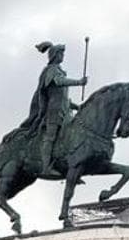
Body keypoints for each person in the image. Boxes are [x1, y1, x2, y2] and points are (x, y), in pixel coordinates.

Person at [21, 41, 87, 172]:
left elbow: (63, 99)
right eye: (61, 53)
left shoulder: (59, 70)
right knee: (50, 137)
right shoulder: (51, 70)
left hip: (64, 112)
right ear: (55, 55)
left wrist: (76, 107)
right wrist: (79, 82)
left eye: (63, 53)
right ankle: (45, 167)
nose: (63, 55)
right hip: (53, 113)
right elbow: (58, 82)